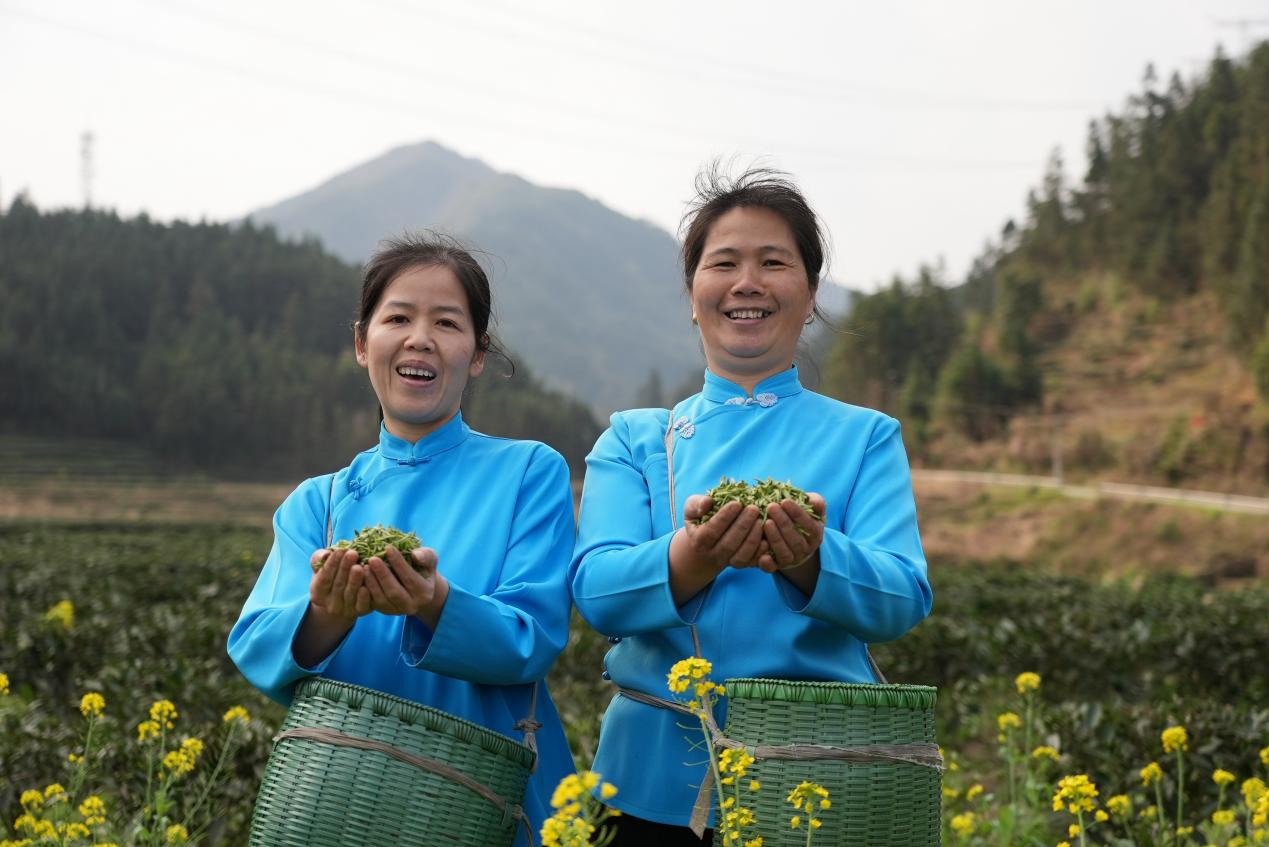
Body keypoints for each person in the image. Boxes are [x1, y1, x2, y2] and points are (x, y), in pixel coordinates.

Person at [570, 167, 933, 843]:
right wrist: (692, 555)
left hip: (817, 780)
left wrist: (810, 558)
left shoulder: (864, 437)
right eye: (724, 263)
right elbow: (596, 592)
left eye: (774, 262)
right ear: (692, 294)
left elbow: (902, 597)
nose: (747, 282)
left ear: (811, 292)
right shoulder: (634, 438)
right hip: (648, 786)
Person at [228, 232, 576, 846]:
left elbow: (534, 637)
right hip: (346, 808)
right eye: (398, 318)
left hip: (491, 804)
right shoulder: (320, 502)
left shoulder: (529, 471)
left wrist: (434, 601)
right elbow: (258, 647)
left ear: (476, 353)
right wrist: (325, 614)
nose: (420, 338)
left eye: (447, 322)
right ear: (363, 343)